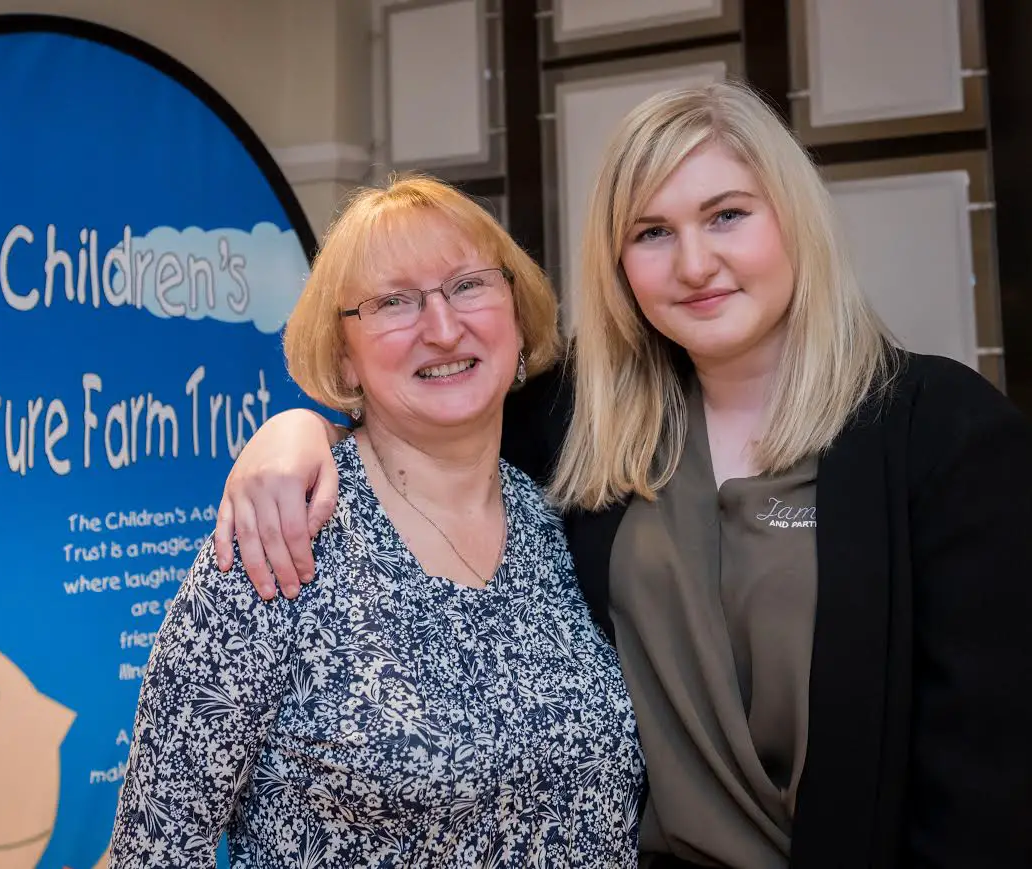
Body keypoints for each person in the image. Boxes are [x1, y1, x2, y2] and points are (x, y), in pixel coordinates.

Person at [208, 79, 1032, 869]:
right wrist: (298, 430)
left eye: (727, 216)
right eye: (652, 233)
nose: (695, 264)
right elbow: (422, 408)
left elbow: (986, 780)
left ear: (794, 220)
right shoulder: (576, 422)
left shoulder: (941, 431)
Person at [107, 175, 647, 867]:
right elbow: (155, 848)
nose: (443, 327)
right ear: (342, 354)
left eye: (470, 285)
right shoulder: (281, 534)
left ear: (518, 310)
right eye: (394, 301)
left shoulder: (562, 517)